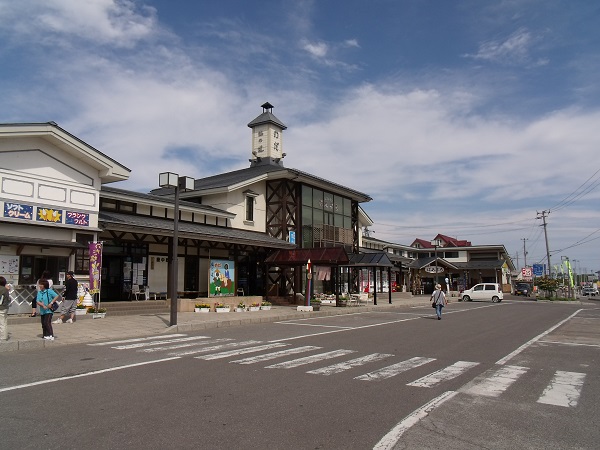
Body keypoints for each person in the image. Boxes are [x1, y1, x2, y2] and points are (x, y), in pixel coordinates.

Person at [0, 276, 10, 340]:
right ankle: (4, 336)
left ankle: (3, 337)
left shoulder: (1, 289)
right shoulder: (6, 289)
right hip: (5, 307)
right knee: (4, 322)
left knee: (1, 323)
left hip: (1, 307)